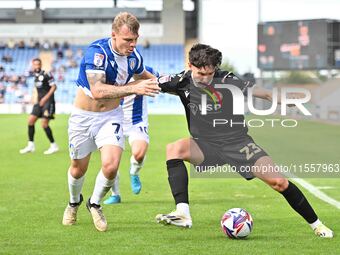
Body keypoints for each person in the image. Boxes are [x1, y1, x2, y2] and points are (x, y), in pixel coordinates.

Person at [155, 44, 333, 238]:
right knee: (174, 149)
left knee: (279, 182)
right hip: (206, 146)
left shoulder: (227, 80)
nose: (205, 79)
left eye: (210, 74)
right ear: (190, 65)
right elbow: (149, 83)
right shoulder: (180, 81)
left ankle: (317, 225)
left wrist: (284, 99)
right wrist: (131, 84)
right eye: (200, 74)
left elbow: (262, 93)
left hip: (238, 144)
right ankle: (183, 213)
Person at [61, 12, 160, 232]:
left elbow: (146, 76)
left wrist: (177, 86)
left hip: (111, 117)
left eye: (135, 40)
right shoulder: (97, 53)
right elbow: (97, 91)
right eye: (127, 40)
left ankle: (94, 204)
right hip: (83, 117)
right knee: (78, 169)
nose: (132, 45)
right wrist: (134, 88)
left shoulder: (134, 57)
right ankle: (73, 202)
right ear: (113, 35)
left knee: (111, 165)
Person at [104, 66, 160, 204]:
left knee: (139, 153)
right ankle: (115, 195)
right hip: (114, 120)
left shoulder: (145, 70)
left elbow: (160, 81)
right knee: (111, 161)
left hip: (137, 121)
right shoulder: (112, 70)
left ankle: (134, 172)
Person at [20, 58, 59, 155]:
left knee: (44, 124)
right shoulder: (35, 76)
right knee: (30, 121)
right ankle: (30, 145)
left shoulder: (46, 74)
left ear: (41, 64)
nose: (36, 66)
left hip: (48, 102)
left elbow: (54, 87)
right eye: (35, 65)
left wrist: (45, 99)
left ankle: (53, 146)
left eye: (38, 64)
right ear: (32, 65)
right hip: (39, 103)